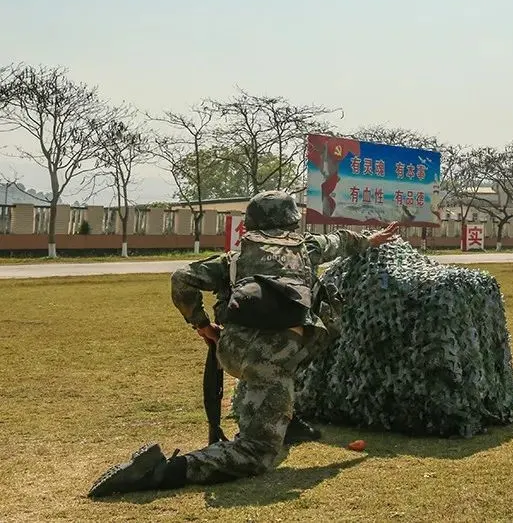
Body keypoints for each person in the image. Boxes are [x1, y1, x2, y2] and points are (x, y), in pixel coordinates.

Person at [87, 190, 399, 498]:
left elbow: (181, 278)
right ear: (293, 221)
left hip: (232, 350)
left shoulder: (234, 260)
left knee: (271, 379)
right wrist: (372, 238)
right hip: (279, 356)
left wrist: (202, 325)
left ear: (250, 224)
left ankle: (283, 419)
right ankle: (161, 470)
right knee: (256, 453)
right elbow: (343, 241)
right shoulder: (309, 248)